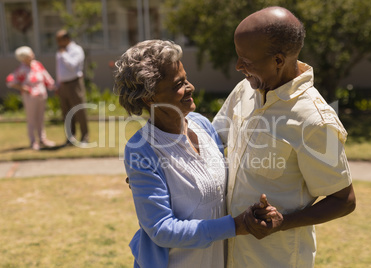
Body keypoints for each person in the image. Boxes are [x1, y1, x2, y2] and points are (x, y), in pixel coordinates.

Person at [114, 40, 280, 268]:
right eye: (178, 85)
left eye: (186, 78)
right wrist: (235, 226)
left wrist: (255, 212)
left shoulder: (202, 124)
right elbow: (161, 229)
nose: (190, 87)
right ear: (149, 97)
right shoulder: (143, 149)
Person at [212, 6, 356, 268]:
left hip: (276, 260)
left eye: (246, 60)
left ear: (278, 60)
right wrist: (166, 162)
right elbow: (213, 139)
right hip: (228, 255)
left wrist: (283, 222)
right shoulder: (246, 89)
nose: (238, 66)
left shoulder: (314, 120)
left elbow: (343, 200)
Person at [6, 46, 56, 150]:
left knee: (41, 118)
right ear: (24, 58)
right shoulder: (21, 70)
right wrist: (22, 87)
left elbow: (46, 77)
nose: (32, 55)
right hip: (30, 97)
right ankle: (33, 141)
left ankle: (43, 139)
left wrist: (54, 86)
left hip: (41, 95)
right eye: (30, 54)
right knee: (32, 119)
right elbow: (10, 81)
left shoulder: (37, 65)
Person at [55, 29, 89, 145]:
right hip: (63, 85)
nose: (58, 42)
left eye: (59, 40)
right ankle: (70, 137)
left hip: (74, 84)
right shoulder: (60, 51)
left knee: (79, 110)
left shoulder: (76, 50)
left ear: (66, 39)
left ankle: (85, 136)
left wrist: (64, 54)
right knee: (66, 112)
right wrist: (58, 84)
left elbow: (73, 66)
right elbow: (60, 69)